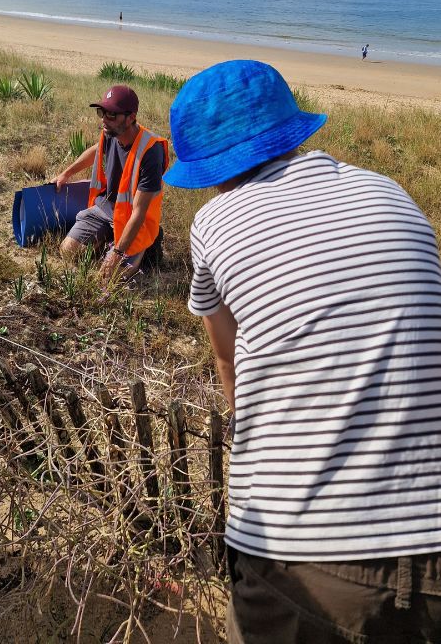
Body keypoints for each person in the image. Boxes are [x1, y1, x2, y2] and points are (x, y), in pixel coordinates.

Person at [163, 59, 441, 644]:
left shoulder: (214, 220)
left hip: (303, 555)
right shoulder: (388, 189)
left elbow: (227, 359)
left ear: (212, 171)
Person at [54, 84, 168, 280]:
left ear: (131, 117)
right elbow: (96, 150)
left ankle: (148, 242)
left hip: (134, 220)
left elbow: (139, 212)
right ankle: (108, 237)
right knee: (67, 252)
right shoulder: (111, 133)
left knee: (114, 277)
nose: (104, 119)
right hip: (105, 209)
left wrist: (117, 253)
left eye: (112, 115)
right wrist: (66, 173)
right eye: (102, 112)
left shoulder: (150, 151)